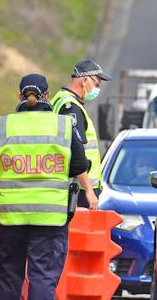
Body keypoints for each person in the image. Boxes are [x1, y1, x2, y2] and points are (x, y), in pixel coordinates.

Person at [0, 73, 98, 300]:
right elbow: (79, 165)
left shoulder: (4, 126)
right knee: (42, 277)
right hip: (50, 218)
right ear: (47, 96)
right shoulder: (62, 126)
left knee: (8, 277)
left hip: (11, 218)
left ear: (20, 95)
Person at [49, 59, 112, 208]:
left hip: (76, 185)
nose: (97, 89)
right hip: (79, 187)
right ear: (84, 80)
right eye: (96, 84)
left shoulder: (60, 99)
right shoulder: (71, 108)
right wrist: (89, 190)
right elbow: (76, 152)